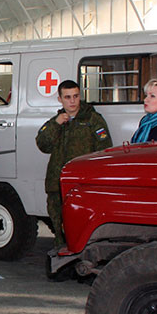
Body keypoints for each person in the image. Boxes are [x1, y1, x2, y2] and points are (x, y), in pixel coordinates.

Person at [36, 80, 112, 249]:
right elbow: (43, 144)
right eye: (67, 97)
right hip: (57, 184)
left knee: (81, 229)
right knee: (59, 227)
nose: (72, 101)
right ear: (60, 99)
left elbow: (104, 150)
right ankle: (61, 259)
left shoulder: (92, 120)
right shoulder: (56, 121)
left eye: (75, 96)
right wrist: (56, 124)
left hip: (82, 186)